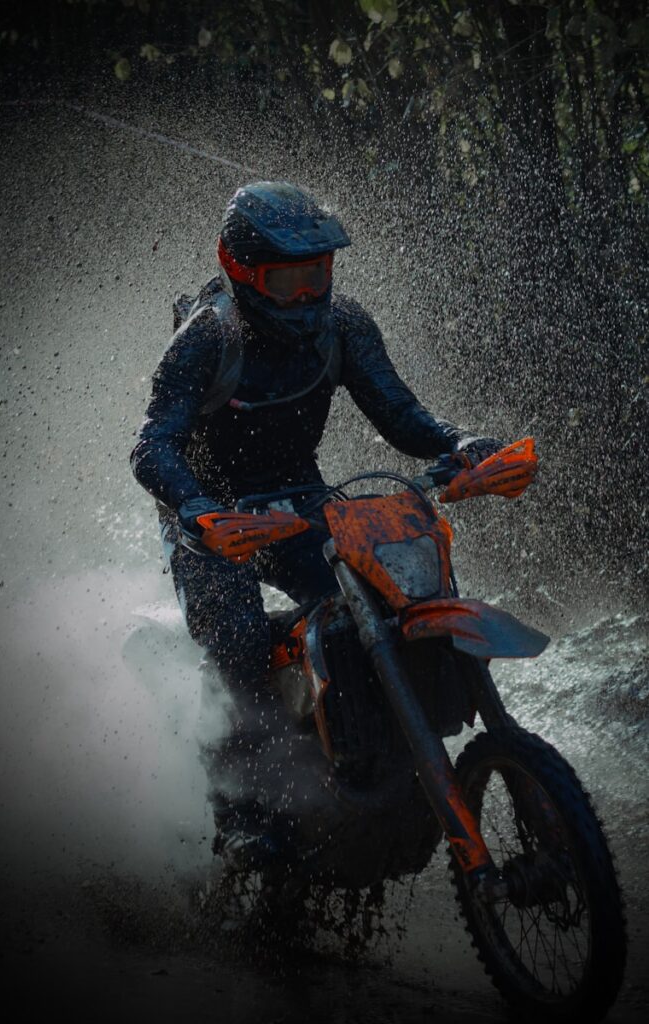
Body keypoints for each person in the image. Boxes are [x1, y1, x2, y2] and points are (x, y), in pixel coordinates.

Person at [131, 181, 502, 868]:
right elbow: (151, 445)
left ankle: (377, 753)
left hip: (303, 502)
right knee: (237, 637)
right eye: (289, 278)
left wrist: (461, 443)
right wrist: (198, 512)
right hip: (214, 521)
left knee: (393, 597)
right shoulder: (205, 340)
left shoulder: (346, 327)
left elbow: (404, 419)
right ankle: (243, 811)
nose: (308, 294)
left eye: (318, 274)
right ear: (239, 270)